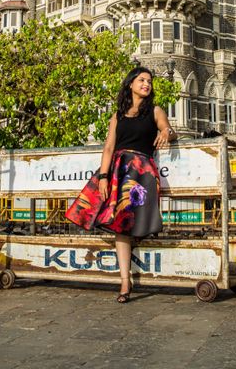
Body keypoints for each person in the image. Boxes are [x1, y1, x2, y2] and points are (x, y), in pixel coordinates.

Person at [65, 66, 174, 302]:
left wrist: (166, 132)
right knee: (120, 225)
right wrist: (103, 177)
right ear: (131, 84)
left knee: (135, 224)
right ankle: (125, 282)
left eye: (149, 81)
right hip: (117, 171)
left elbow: (166, 127)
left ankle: (136, 274)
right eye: (142, 79)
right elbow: (108, 148)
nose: (147, 84)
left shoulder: (154, 111)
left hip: (142, 173)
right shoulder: (118, 115)